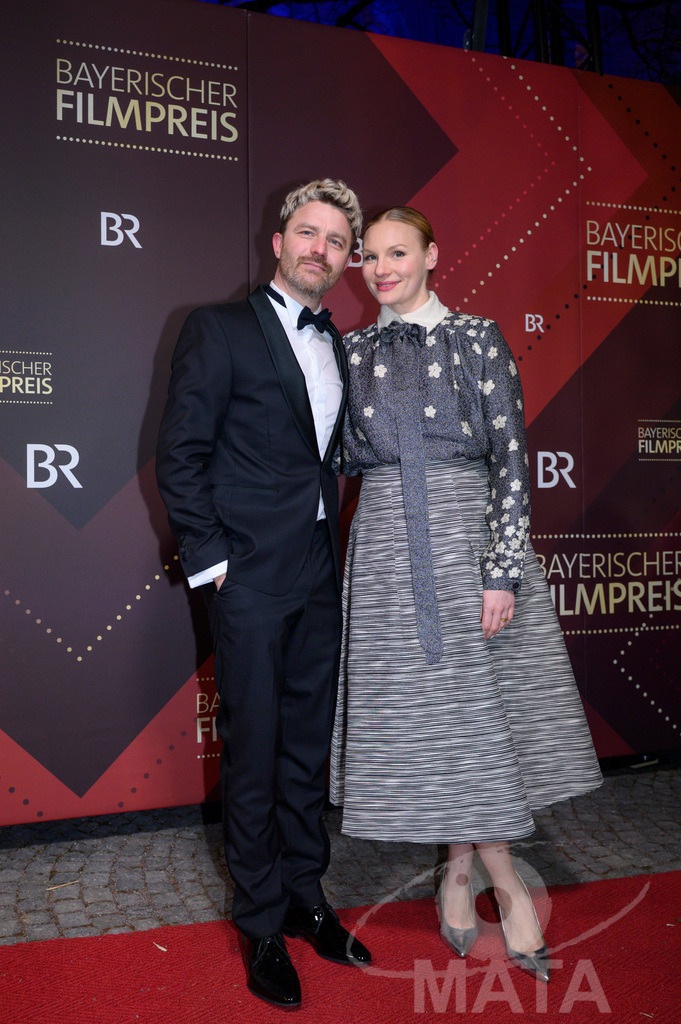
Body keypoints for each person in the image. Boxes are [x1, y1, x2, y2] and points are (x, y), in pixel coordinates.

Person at [329, 206, 602, 983]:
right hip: (384, 548)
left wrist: (499, 569)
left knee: (481, 720)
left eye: (397, 252)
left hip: (467, 545)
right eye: (369, 256)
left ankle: (493, 876)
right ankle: (465, 867)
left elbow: (513, 459)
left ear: (431, 254)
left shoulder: (476, 337)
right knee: (434, 723)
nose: (381, 269)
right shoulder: (350, 353)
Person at [156, 179, 371, 1011]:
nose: (320, 248)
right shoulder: (216, 329)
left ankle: (303, 897)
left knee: (304, 747)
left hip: (318, 571)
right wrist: (215, 568)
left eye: (335, 240)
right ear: (277, 240)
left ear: (346, 260)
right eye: (307, 233)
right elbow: (180, 456)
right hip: (246, 577)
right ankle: (256, 922)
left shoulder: (341, 344)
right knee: (253, 749)